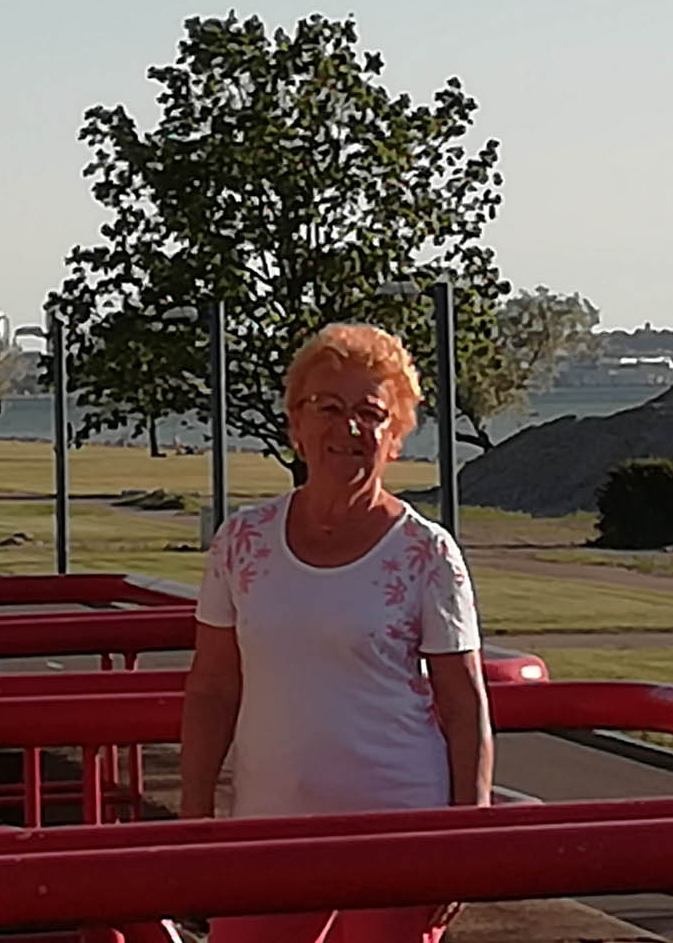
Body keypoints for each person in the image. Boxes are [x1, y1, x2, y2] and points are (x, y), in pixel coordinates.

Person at [180, 323, 492, 943]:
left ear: (395, 437)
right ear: (296, 424)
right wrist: (194, 822)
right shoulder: (242, 541)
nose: (348, 429)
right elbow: (213, 689)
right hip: (266, 827)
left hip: (398, 829)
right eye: (328, 408)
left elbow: (464, 704)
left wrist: (469, 839)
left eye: (371, 413)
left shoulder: (427, 552)